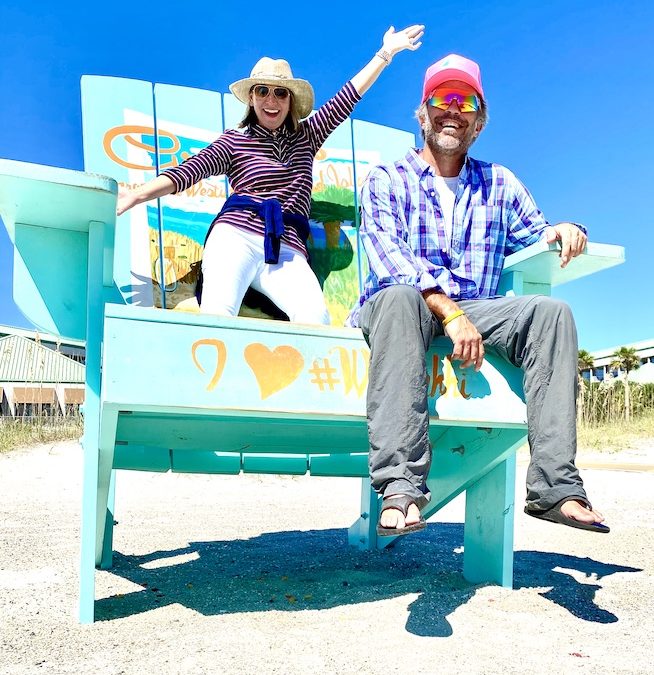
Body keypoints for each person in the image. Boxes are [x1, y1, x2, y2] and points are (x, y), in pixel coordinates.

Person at [347, 53, 610, 536]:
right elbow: (391, 262)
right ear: (422, 113)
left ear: (479, 120)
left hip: (474, 312)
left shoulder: (500, 183)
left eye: (464, 101)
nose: (452, 110)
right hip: (400, 307)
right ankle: (400, 488)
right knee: (402, 298)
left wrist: (565, 229)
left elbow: (537, 235)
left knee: (551, 314)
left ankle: (555, 487)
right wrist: (450, 314)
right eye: (440, 99)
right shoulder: (387, 179)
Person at [116, 25, 424, 325]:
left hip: (287, 248)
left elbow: (347, 98)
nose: (271, 100)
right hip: (235, 235)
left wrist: (385, 53)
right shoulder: (235, 140)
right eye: (262, 91)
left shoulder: (308, 135)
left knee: (316, 319)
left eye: (280, 93)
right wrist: (137, 193)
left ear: (291, 100)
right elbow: (188, 171)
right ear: (251, 97)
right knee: (217, 315)